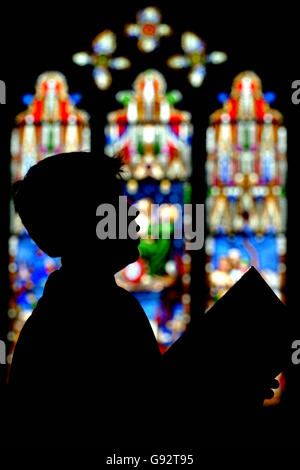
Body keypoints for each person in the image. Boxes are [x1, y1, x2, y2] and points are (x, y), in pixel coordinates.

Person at [8, 152, 161, 448]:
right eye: (117, 204)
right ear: (84, 222)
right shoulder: (100, 317)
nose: (132, 213)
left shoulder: (82, 310)